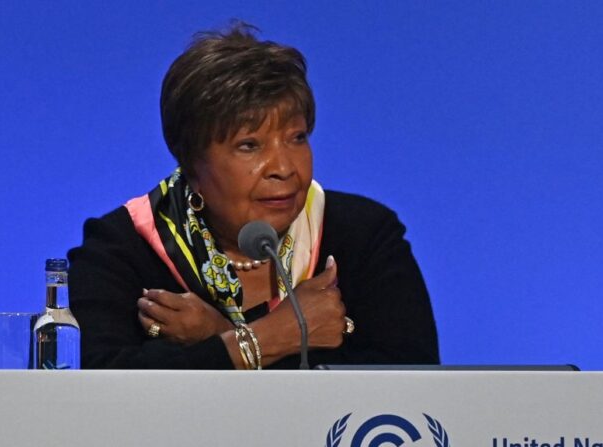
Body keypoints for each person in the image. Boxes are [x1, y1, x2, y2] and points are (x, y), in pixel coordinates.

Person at [68, 22, 439, 369]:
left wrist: (218, 337)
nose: (284, 167)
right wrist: (268, 337)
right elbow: (100, 391)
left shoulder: (364, 234)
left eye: (297, 138)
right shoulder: (121, 247)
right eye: (250, 145)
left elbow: (412, 391)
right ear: (192, 163)